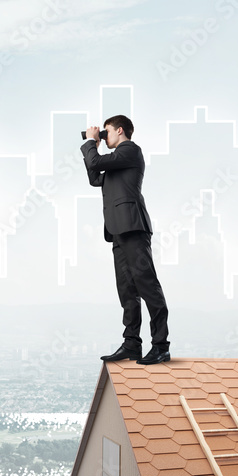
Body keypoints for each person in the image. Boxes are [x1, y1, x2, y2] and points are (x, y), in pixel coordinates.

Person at [81, 115, 170, 365]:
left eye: (105, 131)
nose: (103, 136)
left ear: (119, 131)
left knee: (147, 285)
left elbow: (96, 161)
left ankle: (161, 346)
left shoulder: (130, 150)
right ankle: (132, 344)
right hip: (118, 230)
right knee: (127, 290)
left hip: (133, 227)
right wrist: (93, 146)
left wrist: (90, 143)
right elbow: (94, 177)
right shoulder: (115, 162)